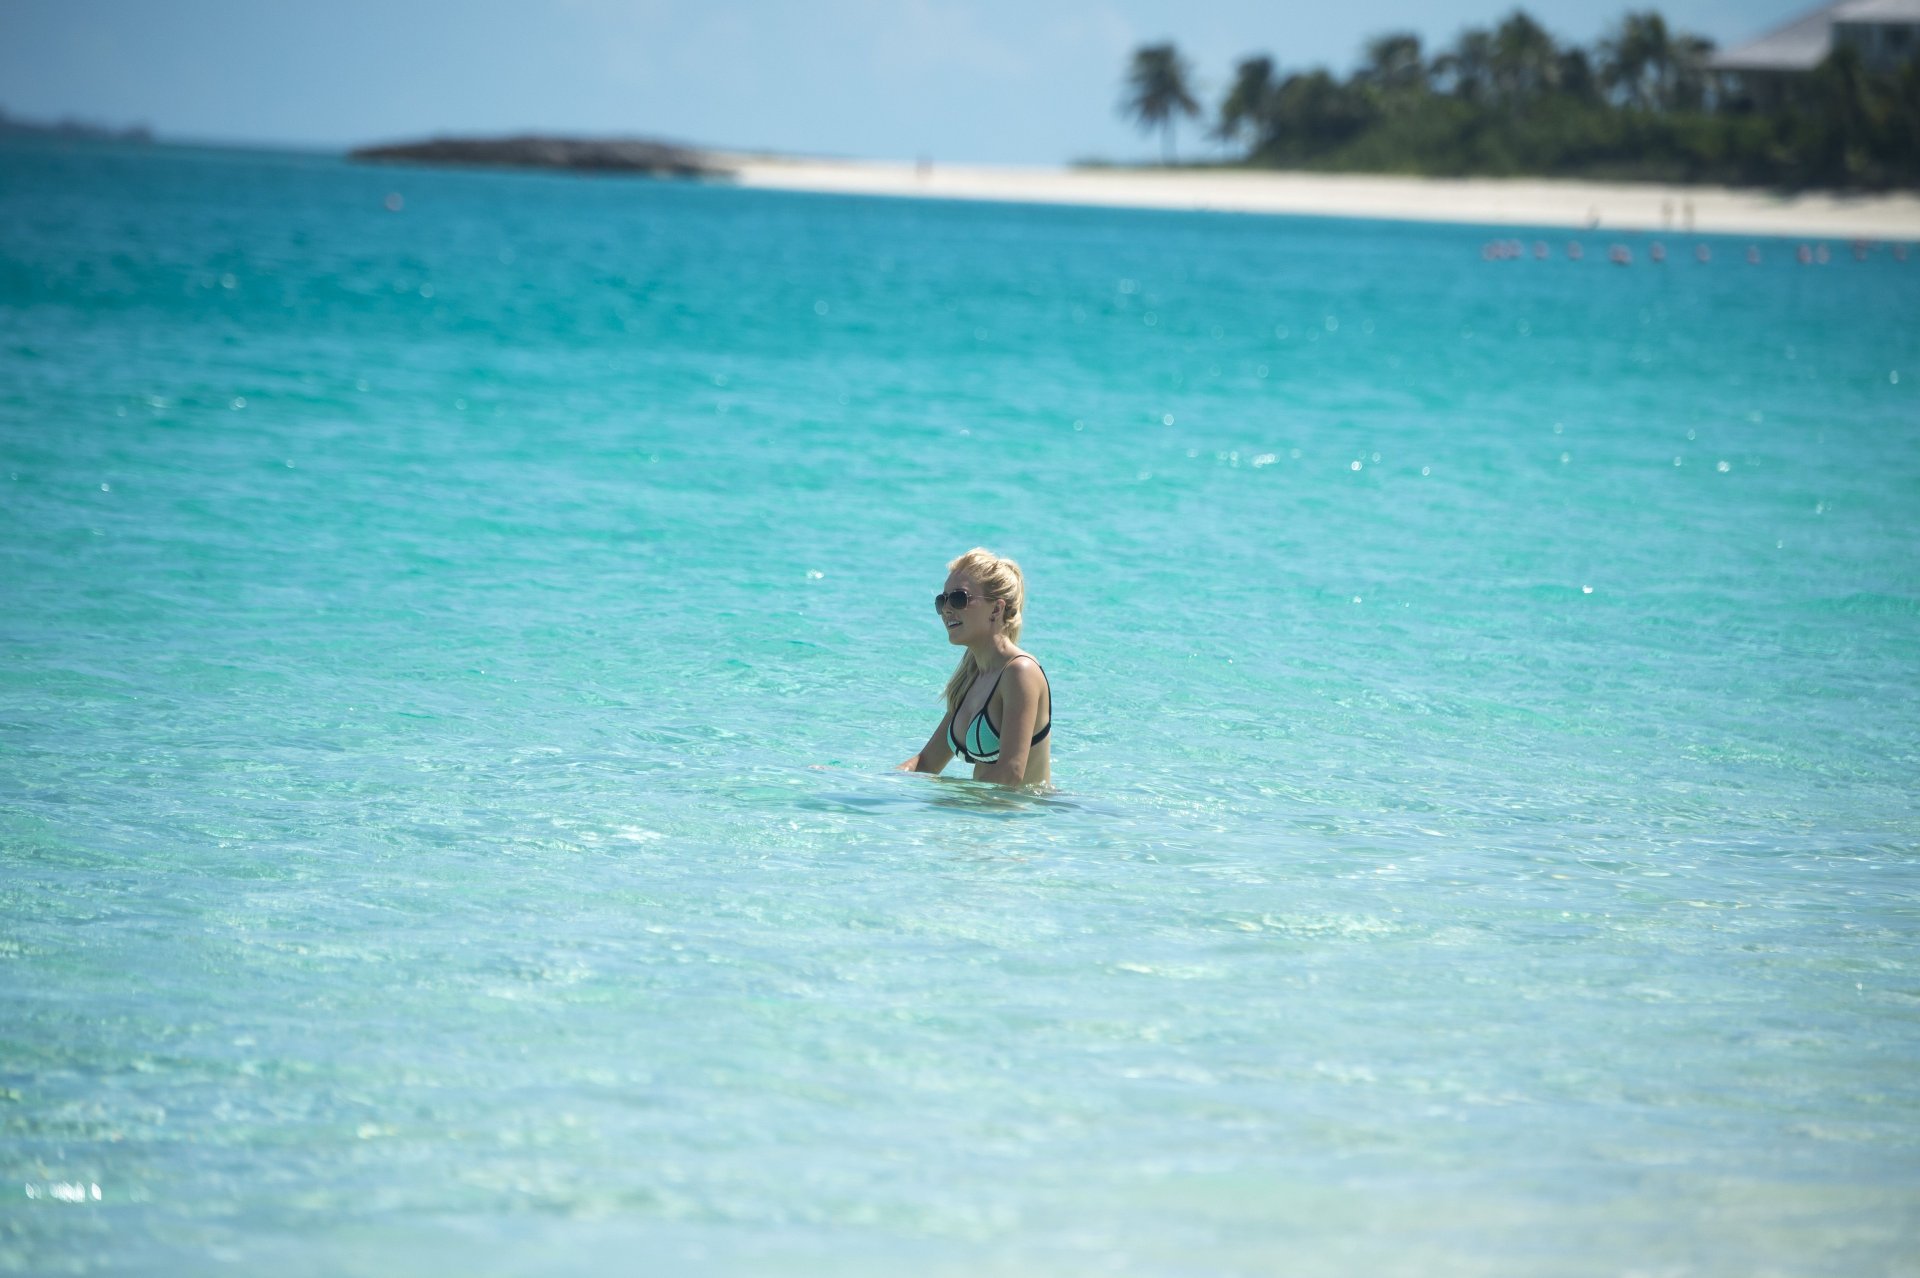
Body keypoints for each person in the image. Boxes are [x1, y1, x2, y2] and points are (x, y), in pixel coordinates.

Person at [898, 547, 1052, 787]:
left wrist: (953, 801)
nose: (946, 609)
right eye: (942, 600)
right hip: (988, 809)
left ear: (996, 609)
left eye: (959, 598)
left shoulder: (1020, 672)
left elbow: (1011, 773)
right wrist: (871, 784)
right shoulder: (970, 676)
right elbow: (926, 763)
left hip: (1026, 810)